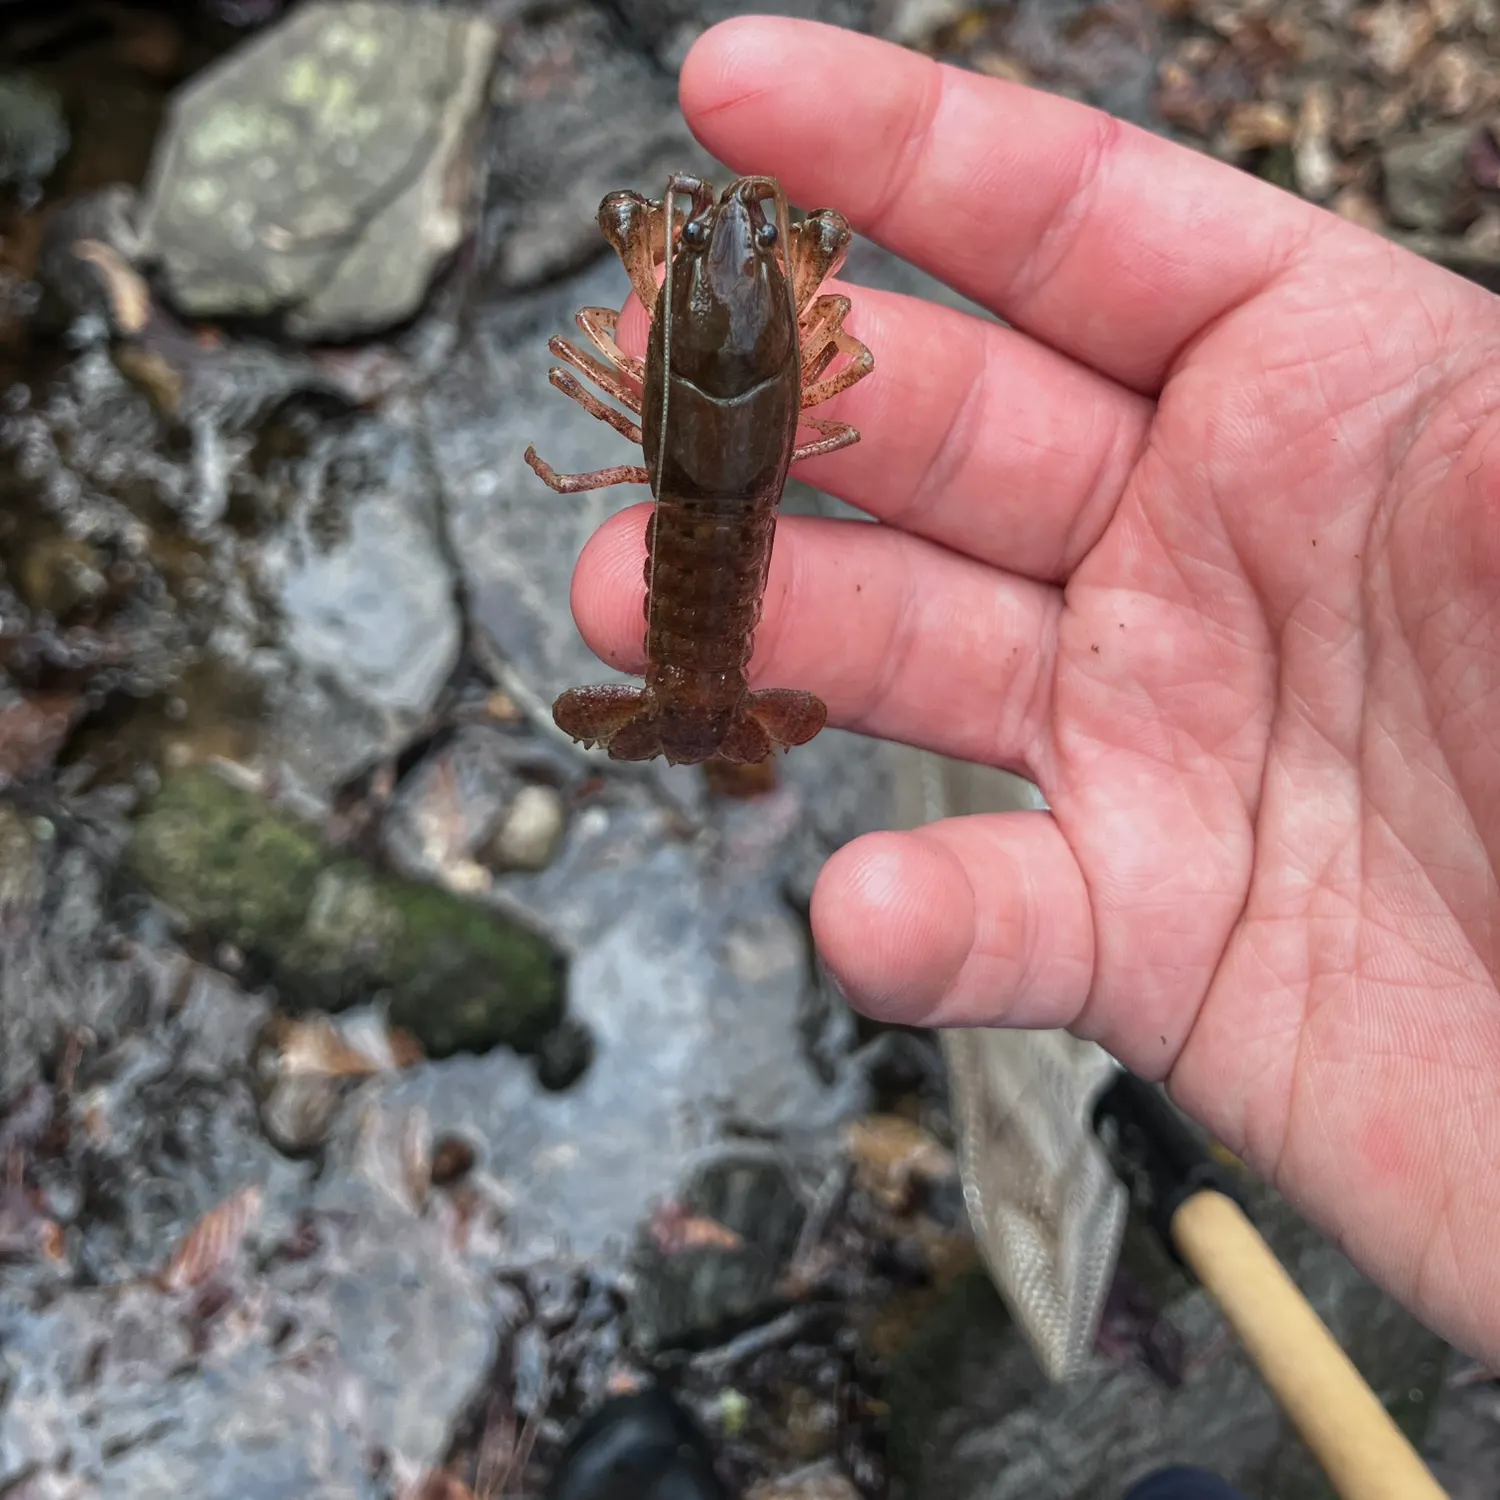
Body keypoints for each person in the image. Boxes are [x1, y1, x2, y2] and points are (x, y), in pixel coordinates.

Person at [563, 14, 1498, 1493]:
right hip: (712, 533)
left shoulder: (682, 316)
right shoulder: (802, 314)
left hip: (705, 525)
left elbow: (659, 260)